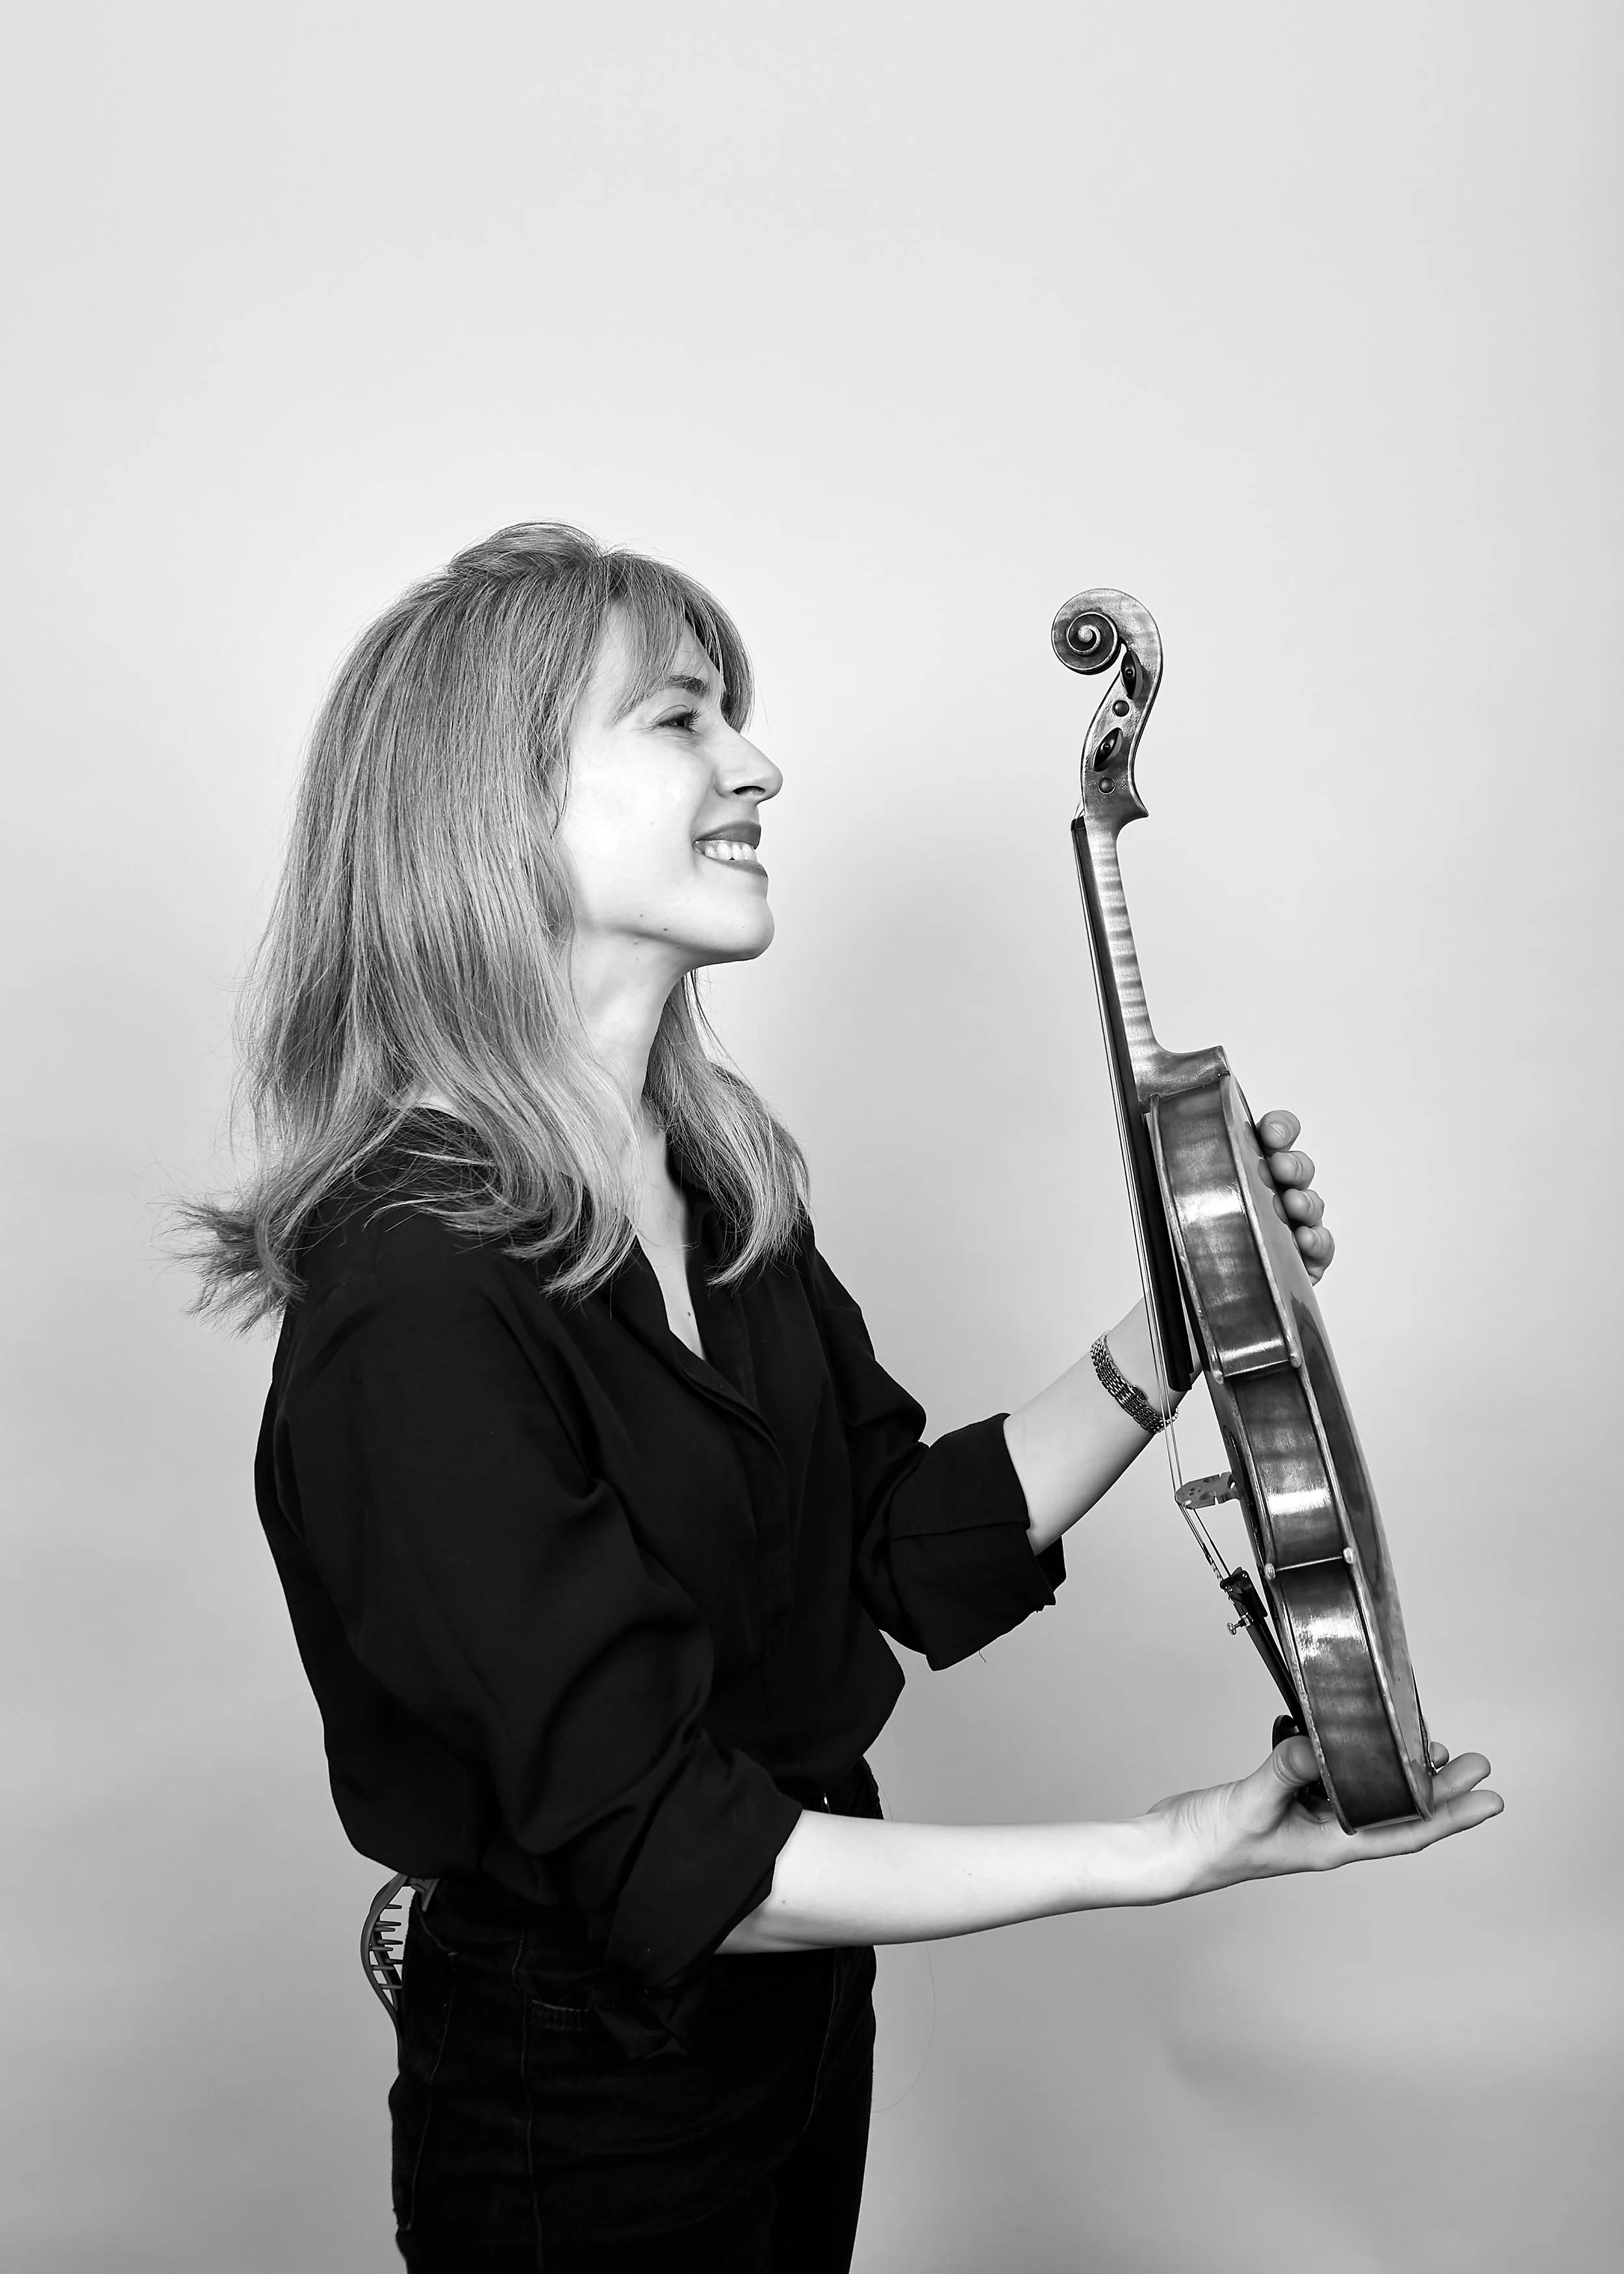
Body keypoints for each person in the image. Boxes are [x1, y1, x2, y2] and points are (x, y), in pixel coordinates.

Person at [190, 523, 1500, 2273]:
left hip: (791, 2024)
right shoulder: (409, 1300)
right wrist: (1160, 1850)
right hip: (583, 2081)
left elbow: (889, 1540)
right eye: (678, 719)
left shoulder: (715, 1192)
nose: (758, 763)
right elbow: (663, 1844)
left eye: (736, 715)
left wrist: (1192, 1322)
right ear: (487, 800)